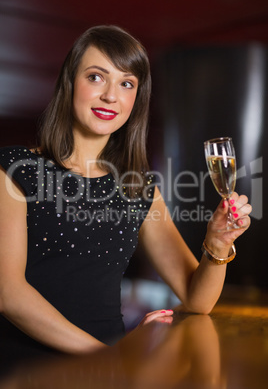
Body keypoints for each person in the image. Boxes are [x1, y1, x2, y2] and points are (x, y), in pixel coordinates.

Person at [0, 26, 252, 357]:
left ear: (136, 99)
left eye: (126, 83)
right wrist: (107, 358)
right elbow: (9, 295)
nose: (110, 95)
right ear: (69, 83)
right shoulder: (16, 168)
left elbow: (197, 300)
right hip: (28, 371)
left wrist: (218, 243)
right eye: (95, 77)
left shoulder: (138, 187)